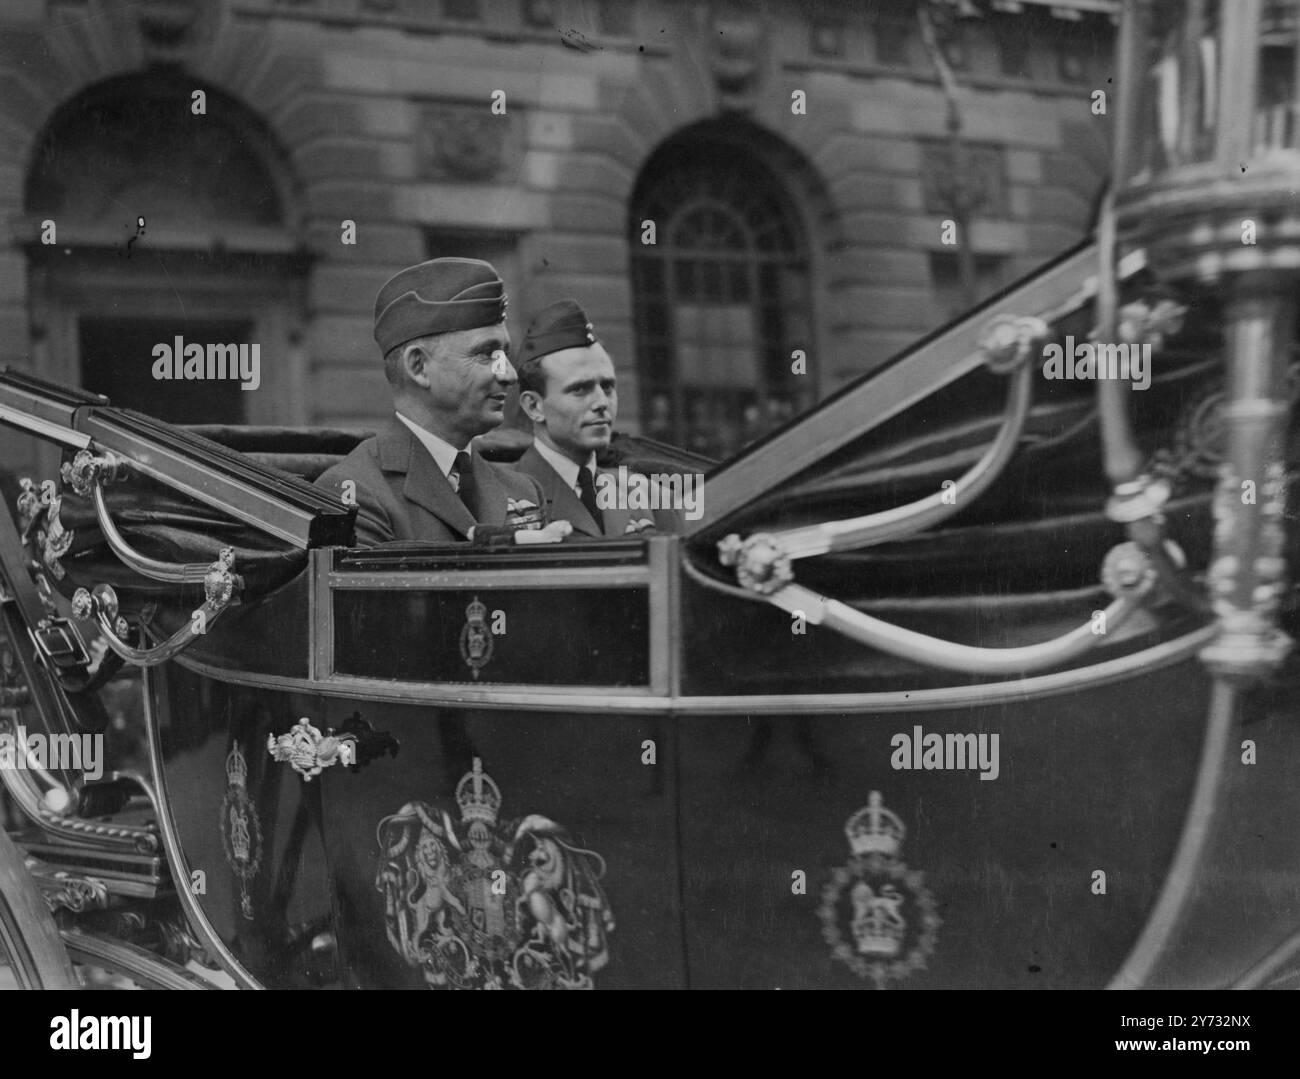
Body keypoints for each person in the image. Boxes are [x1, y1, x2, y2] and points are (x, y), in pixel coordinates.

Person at [317, 258, 561, 546]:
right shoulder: (355, 493)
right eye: (486, 354)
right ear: (419, 367)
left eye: (505, 354)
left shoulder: (523, 490)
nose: (509, 374)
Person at [513, 299, 685, 537]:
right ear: (534, 406)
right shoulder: (504, 494)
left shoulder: (649, 495)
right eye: (580, 389)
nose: (602, 403)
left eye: (607, 386)